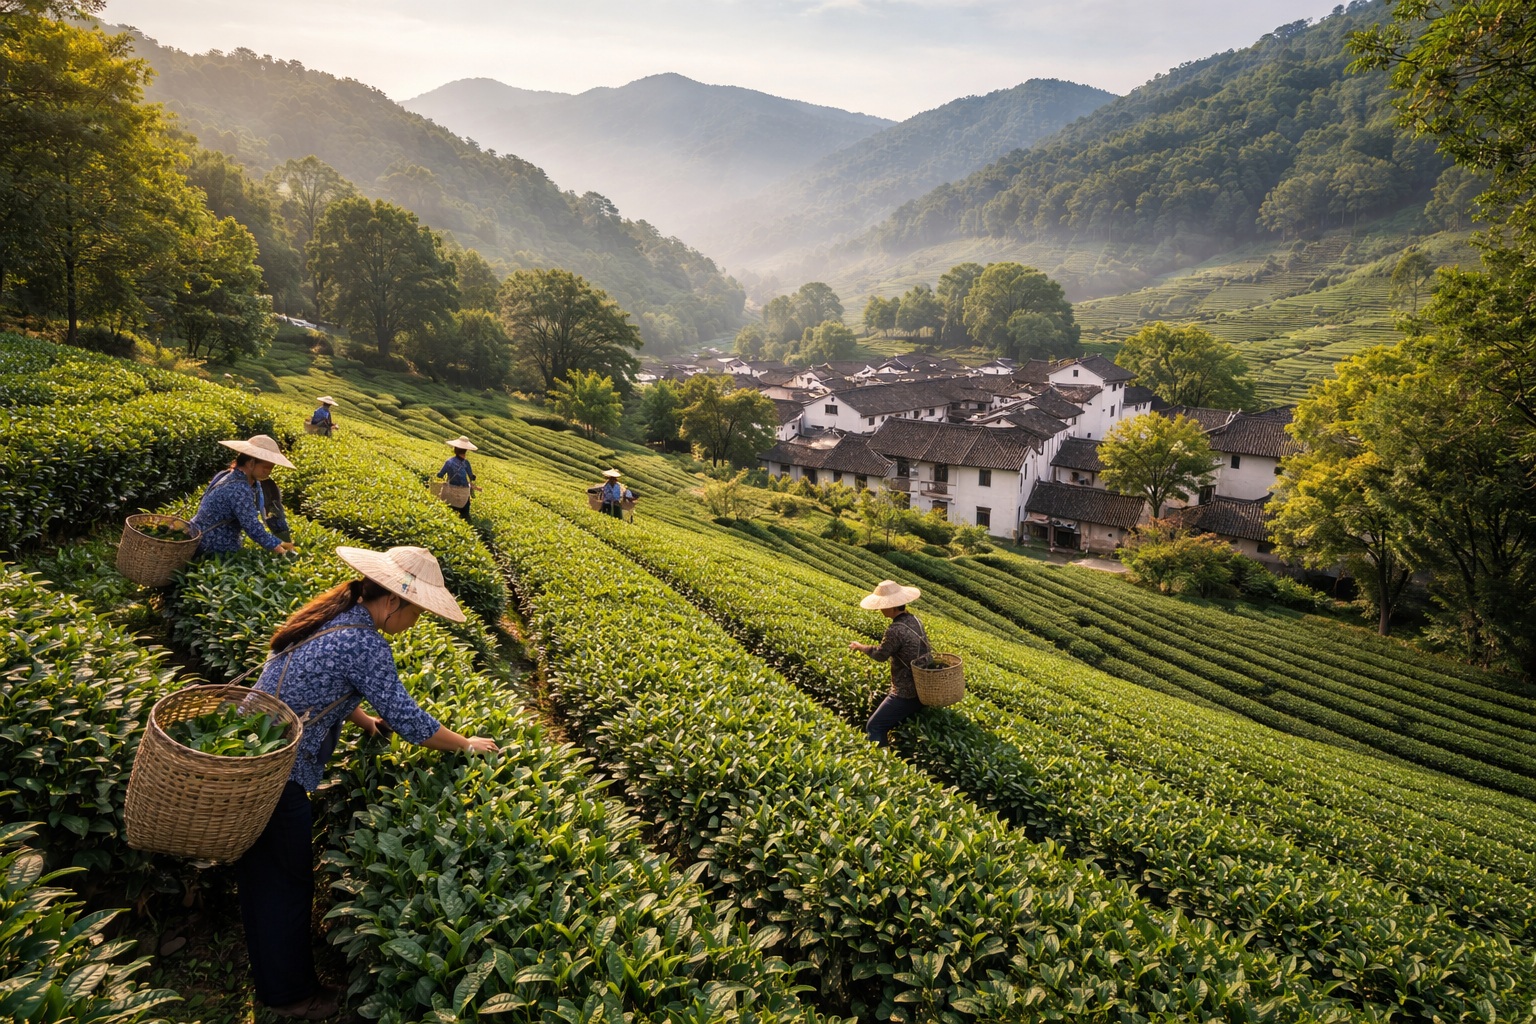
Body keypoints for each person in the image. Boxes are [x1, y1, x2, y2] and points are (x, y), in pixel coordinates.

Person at [236, 545, 500, 1020]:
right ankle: (292, 996)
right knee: (288, 885)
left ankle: (271, 975)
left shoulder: (335, 612)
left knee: (264, 875)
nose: (415, 624)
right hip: (280, 773)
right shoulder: (366, 643)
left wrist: (360, 720)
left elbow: (320, 685)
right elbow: (410, 720)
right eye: (417, 613)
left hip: (256, 754)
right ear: (395, 601)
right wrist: (465, 745)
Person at [848, 580, 929, 746]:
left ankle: (883, 767)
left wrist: (860, 647)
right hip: (922, 683)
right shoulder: (915, 620)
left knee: (875, 726)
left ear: (893, 606)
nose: (880, 609)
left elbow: (880, 655)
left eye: (883, 605)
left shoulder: (895, 630)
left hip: (907, 690)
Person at [189, 435, 298, 557]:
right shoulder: (238, 488)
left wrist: (281, 541)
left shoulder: (235, 477)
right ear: (251, 463)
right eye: (266, 468)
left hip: (203, 537)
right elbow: (251, 526)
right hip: (211, 546)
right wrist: (278, 549)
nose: (269, 472)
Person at [435, 437, 482, 521]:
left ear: (455, 449)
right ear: (465, 450)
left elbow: (440, 475)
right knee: (465, 516)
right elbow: (471, 477)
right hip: (463, 492)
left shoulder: (449, 461)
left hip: (450, 491)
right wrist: (473, 477)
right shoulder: (466, 463)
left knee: (447, 514)